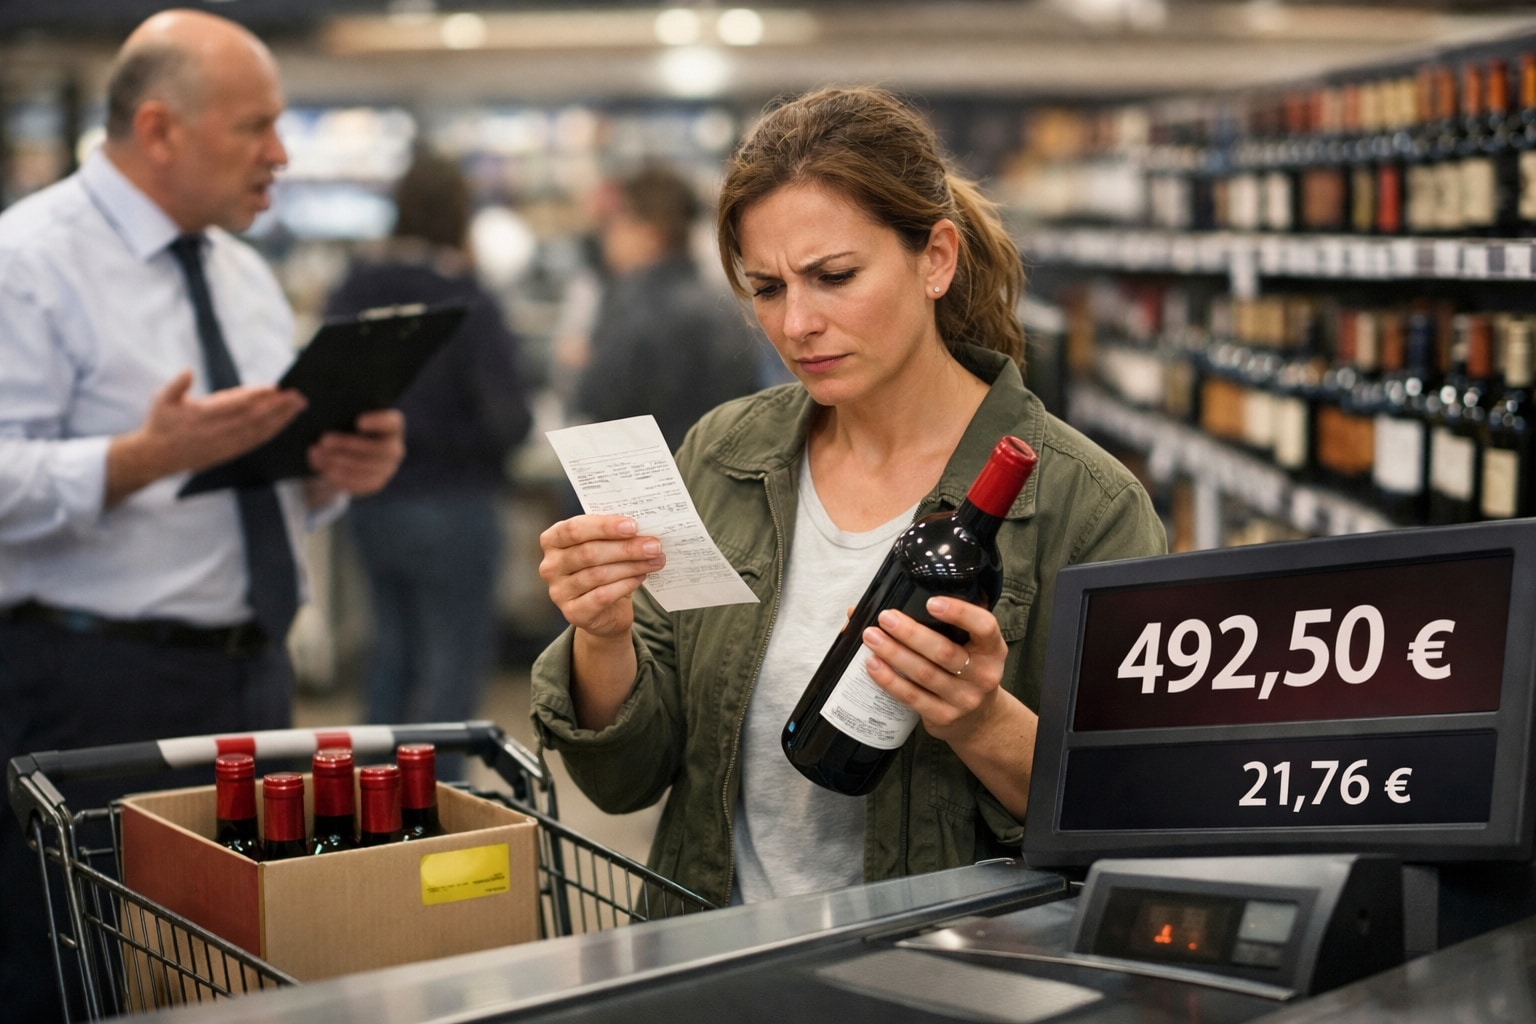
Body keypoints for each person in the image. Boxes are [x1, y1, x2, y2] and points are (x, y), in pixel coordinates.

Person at [530, 85, 1168, 909]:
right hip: (717, 971)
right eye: (767, 288)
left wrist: (979, 721)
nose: (797, 324)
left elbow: (1132, 818)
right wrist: (604, 635)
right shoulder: (724, 455)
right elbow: (626, 779)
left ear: (935, 258)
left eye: (834, 277)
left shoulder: (1088, 506)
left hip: (940, 980)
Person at [0, 10, 405, 1018]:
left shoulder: (240, 270)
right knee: (79, 975)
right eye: (253, 126)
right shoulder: (28, 264)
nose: (280, 153)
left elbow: (252, 486)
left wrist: (332, 473)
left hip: (251, 680)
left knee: (233, 971)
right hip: (90, 690)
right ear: (160, 128)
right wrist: (138, 459)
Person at [324, 150, 533, 774]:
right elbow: (508, 418)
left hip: (371, 502)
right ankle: (437, 816)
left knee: (390, 653)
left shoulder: (352, 287)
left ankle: (372, 809)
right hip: (454, 502)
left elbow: (325, 391)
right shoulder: (465, 297)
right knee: (453, 666)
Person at [570, 163, 763, 451]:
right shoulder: (724, 304)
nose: (607, 237)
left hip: (645, 479)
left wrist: (580, 362)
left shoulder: (630, 305)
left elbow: (595, 399)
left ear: (650, 232)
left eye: (616, 223)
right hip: (713, 474)